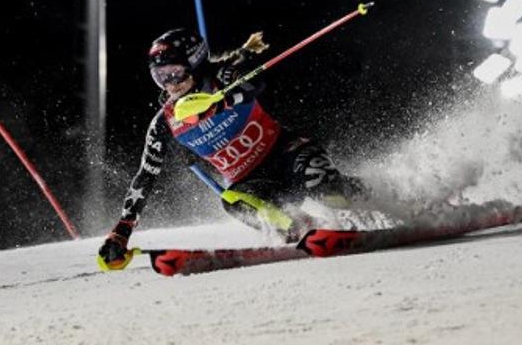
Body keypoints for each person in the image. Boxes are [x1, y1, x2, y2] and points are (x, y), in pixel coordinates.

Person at [97, 27, 364, 270]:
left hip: (287, 154)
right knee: (232, 200)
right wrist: (121, 232)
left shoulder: (222, 77)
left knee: (329, 191)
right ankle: (306, 230)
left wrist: (219, 102)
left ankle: (389, 199)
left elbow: (254, 84)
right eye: (160, 77)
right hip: (253, 182)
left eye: (175, 72)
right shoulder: (164, 123)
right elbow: (145, 176)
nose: (170, 84)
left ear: (195, 63)